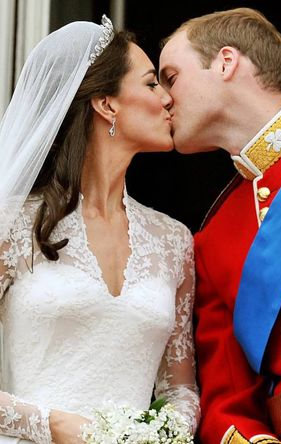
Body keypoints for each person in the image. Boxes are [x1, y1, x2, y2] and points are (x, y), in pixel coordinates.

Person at [0, 15, 201, 444]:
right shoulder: (12, 225)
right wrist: (54, 425)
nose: (167, 98)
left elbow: (179, 387)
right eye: (150, 83)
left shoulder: (174, 241)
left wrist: (164, 433)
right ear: (107, 104)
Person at [159, 6, 281, 444]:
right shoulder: (213, 236)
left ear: (226, 62)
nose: (163, 99)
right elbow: (225, 403)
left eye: (171, 77)